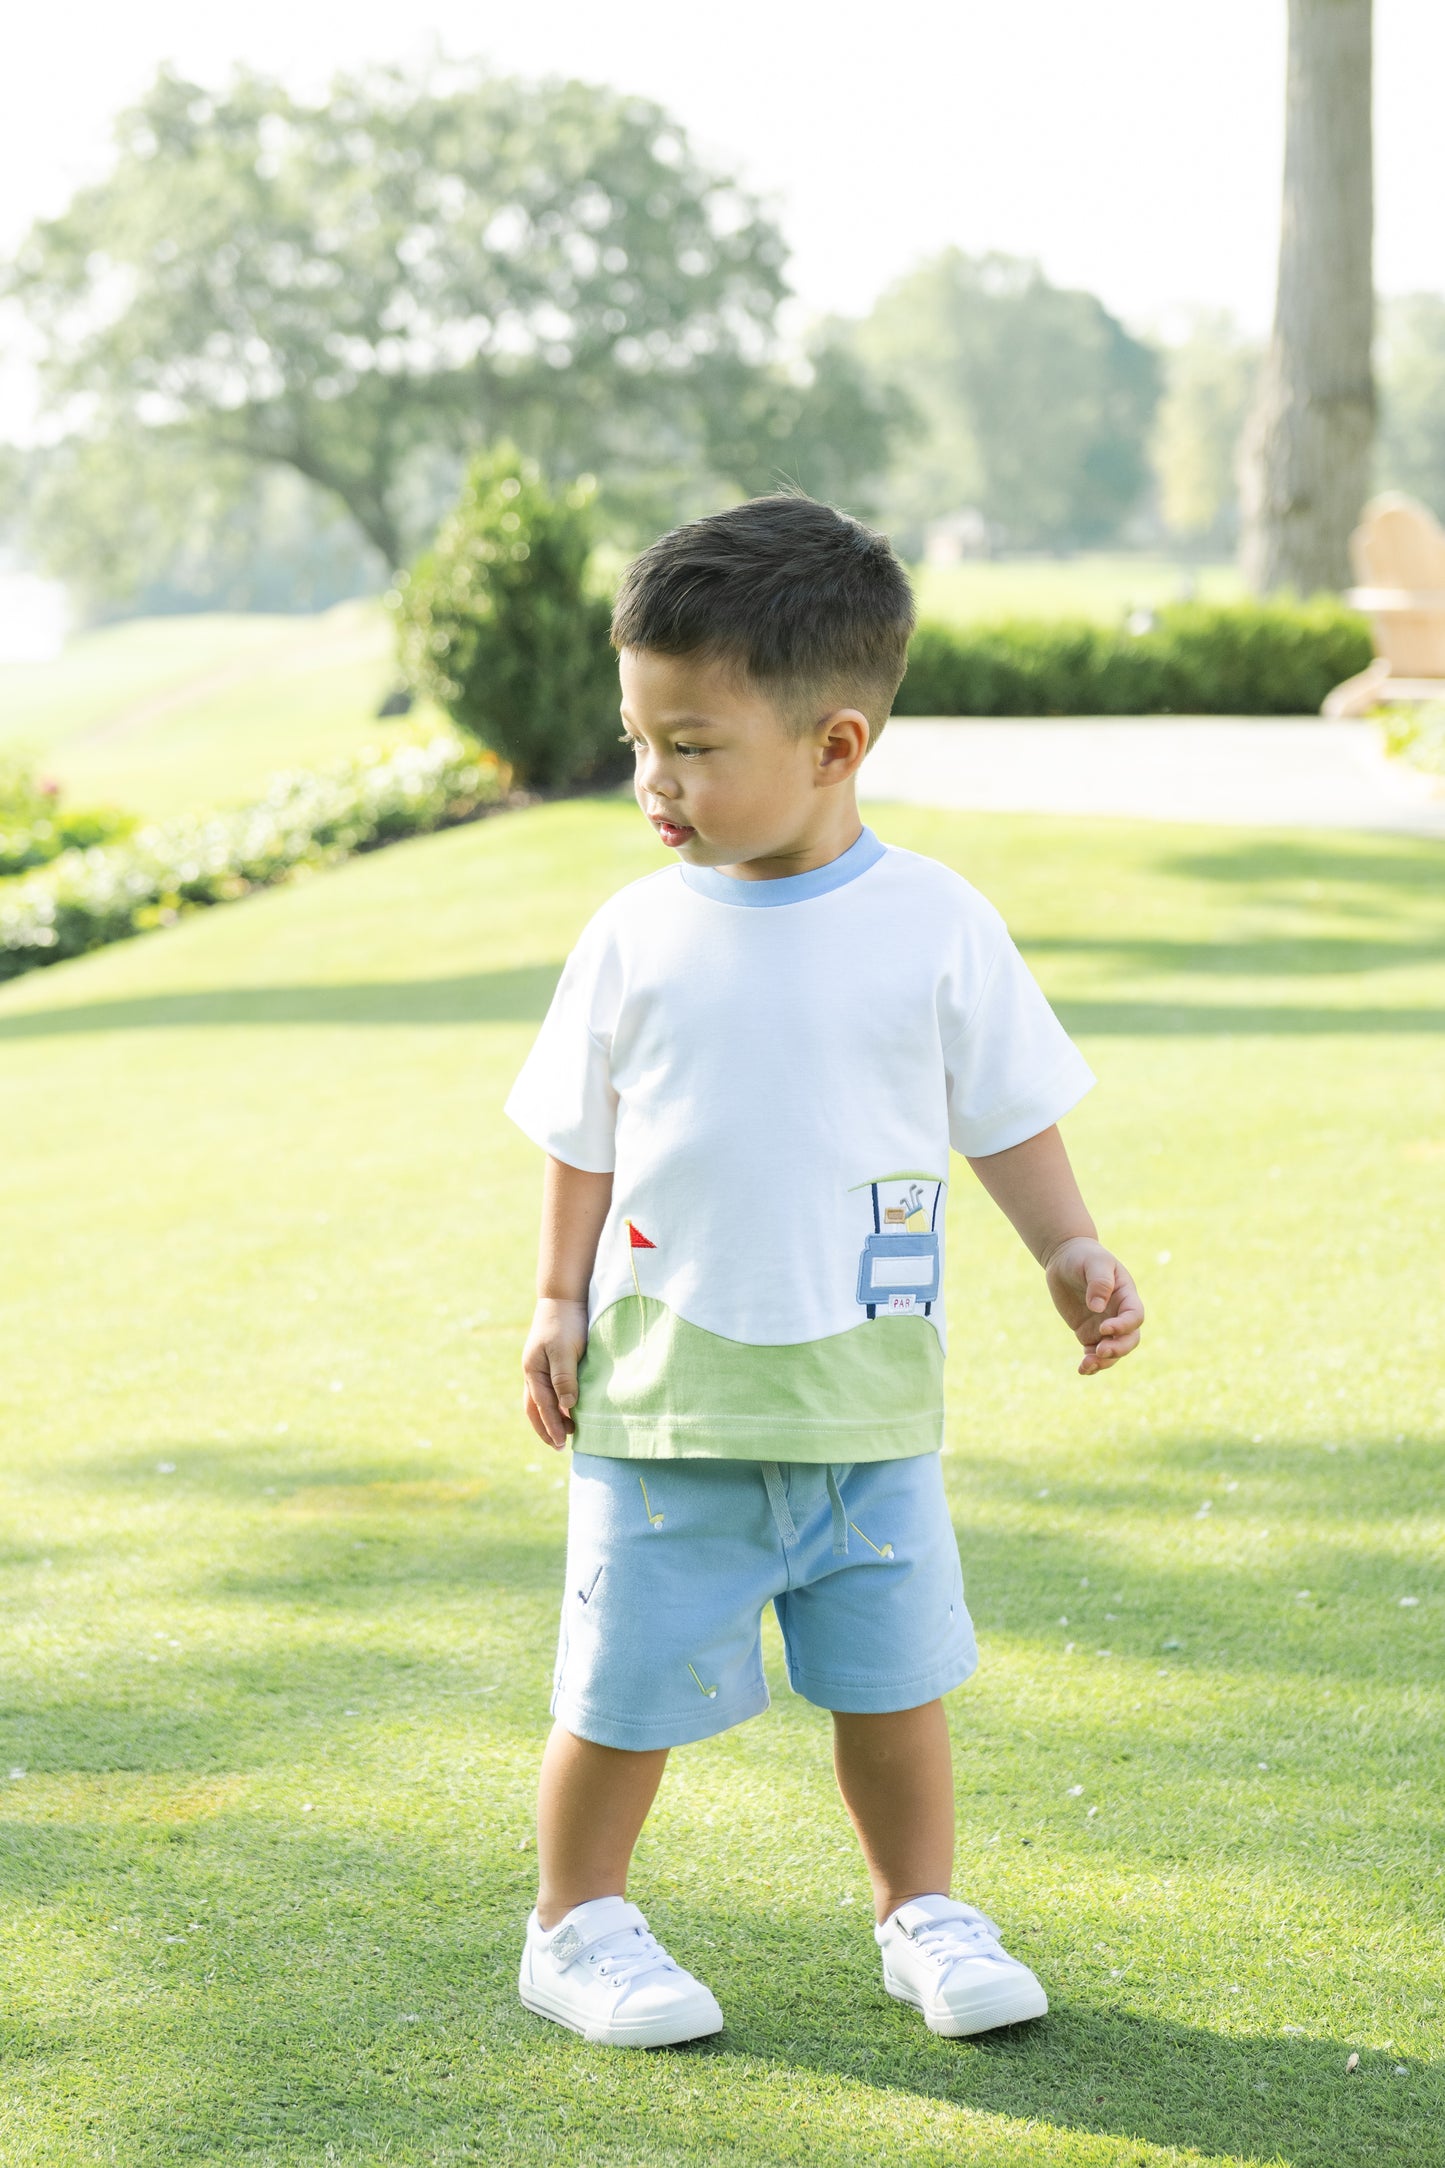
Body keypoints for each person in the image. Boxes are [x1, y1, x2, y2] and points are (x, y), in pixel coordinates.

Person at [504, 495, 1144, 2049]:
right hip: (670, 1407)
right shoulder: (632, 935)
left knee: (894, 1682)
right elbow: (581, 1134)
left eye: (694, 744)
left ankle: (916, 1909)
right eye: (640, 740)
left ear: (836, 743)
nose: (652, 779)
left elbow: (1002, 1108)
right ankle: (576, 1921)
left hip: (869, 1405)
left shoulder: (933, 923)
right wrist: (553, 1297)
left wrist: (1066, 1244)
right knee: (622, 1690)